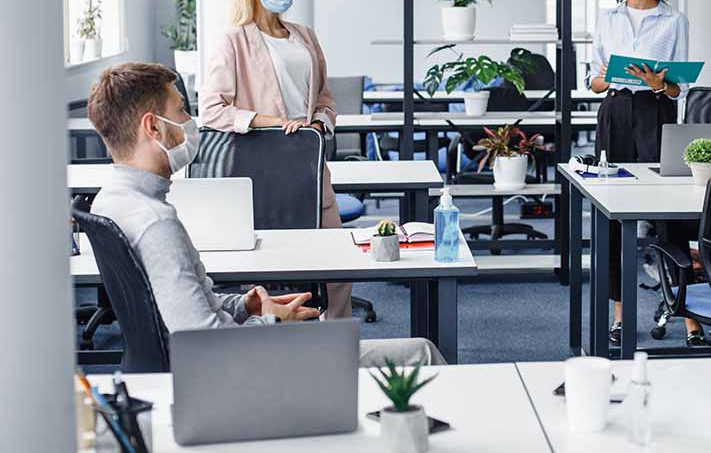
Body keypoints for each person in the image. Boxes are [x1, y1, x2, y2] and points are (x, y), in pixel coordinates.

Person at [88, 63, 445, 367]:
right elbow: (206, 348)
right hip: (243, 375)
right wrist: (272, 319)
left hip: (219, 367)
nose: (191, 121)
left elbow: (180, 309)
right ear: (153, 127)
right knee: (422, 353)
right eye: (181, 110)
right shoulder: (156, 224)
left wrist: (246, 305)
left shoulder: (112, 201)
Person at [199, 0, 352, 318]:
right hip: (264, 172)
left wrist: (317, 124)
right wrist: (271, 122)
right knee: (284, 271)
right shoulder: (233, 40)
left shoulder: (305, 36)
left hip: (310, 166)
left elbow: (326, 100)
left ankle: (334, 343)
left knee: (338, 266)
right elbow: (211, 110)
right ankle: (281, 346)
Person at [589, 0, 706, 347]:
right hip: (616, 112)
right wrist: (605, 78)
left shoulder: (675, 22)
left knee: (669, 215)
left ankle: (690, 315)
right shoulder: (607, 19)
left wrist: (661, 84)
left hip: (657, 113)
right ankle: (620, 317)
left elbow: (682, 89)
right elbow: (594, 79)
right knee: (616, 211)